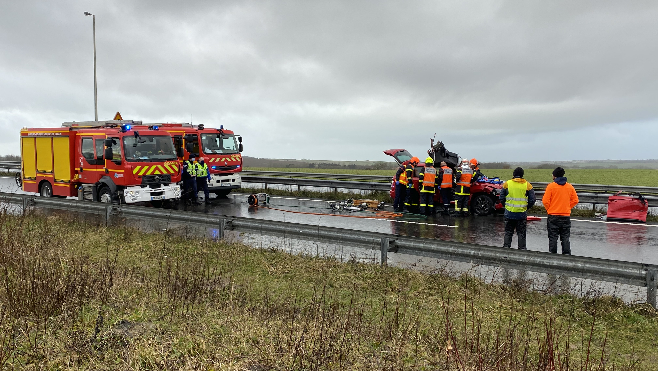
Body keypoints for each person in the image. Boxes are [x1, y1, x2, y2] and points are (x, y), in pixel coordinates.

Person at [542, 167, 579, 255]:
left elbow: (545, 201)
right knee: (565, 237)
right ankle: (566, 255)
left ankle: (553, 255)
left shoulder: (551, 186)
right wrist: (567, 207)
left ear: (554, 176)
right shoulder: (569, 187)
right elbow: (575, 200)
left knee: (553, 237)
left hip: (553, 215)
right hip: (565, 215)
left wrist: (550, 209)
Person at [499, 167, 536, 250]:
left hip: (509, 213)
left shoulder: (507, 184)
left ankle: (506, 250)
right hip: (521, 214)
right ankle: (522, 251)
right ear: (522, 175)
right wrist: (526, 207)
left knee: (508, 233)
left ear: (513, 175)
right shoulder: (527, 185)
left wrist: (506, 207)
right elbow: (532, 199)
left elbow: (501, 198)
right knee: (521, 233)